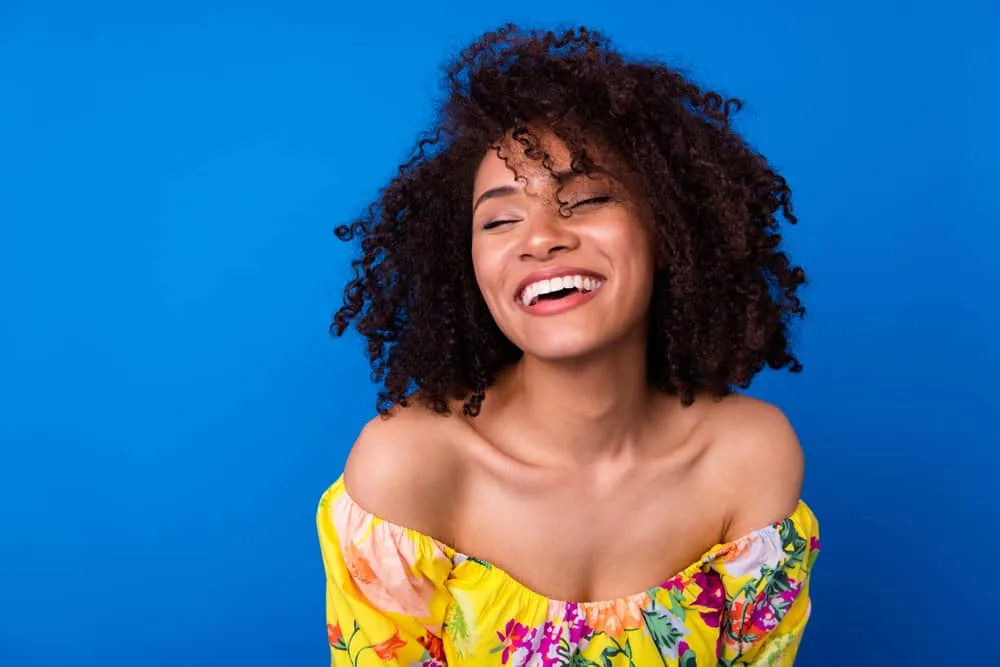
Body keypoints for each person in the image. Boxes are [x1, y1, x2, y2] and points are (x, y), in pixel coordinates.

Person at [317, 23, 820, 667]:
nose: (541, 237)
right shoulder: (407, 471)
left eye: (584, 200)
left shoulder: (747, 461)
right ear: (467, 264)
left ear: (668, 230)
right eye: (500, 219)